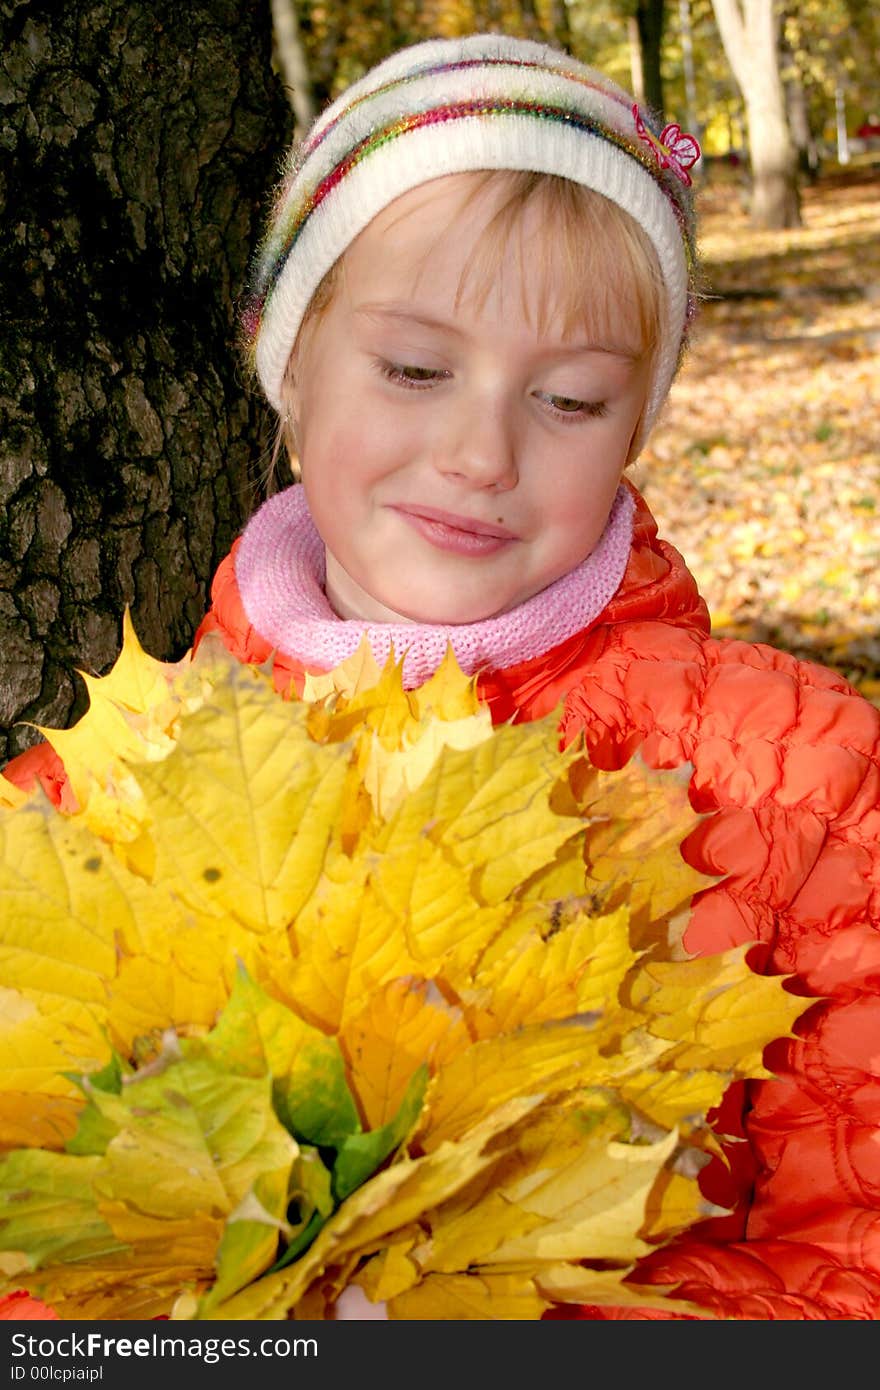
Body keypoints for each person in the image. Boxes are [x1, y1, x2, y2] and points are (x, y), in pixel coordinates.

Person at [5, 33, 880, 1320]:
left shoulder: (805, 780)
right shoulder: (83, 807)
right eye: (414, 370)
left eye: (570, 400)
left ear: (637, 424)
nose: (478, 453)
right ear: (288, 370)